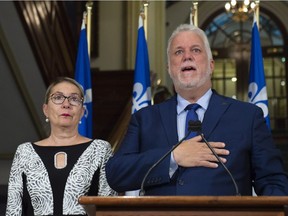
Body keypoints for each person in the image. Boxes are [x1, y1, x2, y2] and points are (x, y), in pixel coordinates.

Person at [105, 24, 288, 196]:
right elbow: (116, 173)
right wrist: (173, 156)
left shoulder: (247, 116)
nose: (187, 56)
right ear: (169, 68)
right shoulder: (145, 118)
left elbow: (273, 181)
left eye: (195, 50)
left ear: (211, 65)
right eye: (178, 52)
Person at [6, 77, 117, 216]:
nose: (66, 104)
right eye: (58, 97)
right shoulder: (24, 152)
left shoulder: (100, 150)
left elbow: (109, 209)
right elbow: (13, 210)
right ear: (45, 109)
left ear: (82, 112)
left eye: (74, 99)